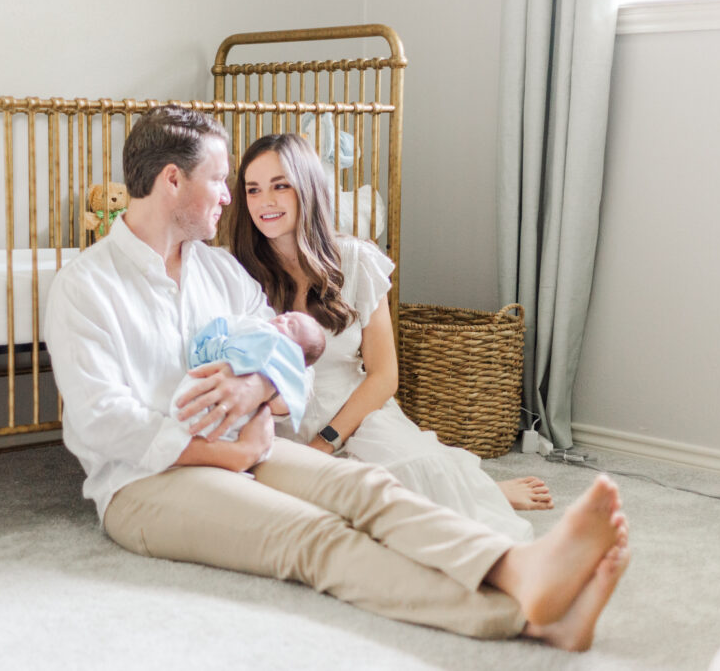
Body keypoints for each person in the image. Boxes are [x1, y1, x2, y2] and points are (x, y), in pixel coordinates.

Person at [44, 104, 629, 650]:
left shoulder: (220, 273)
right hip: (145, 484)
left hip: (246, 445)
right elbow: (100, 422)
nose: (230, 196)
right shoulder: (85, 285)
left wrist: (256, 388)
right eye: (221, 180)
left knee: (364, 487)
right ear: (173, 181)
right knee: (314, 536)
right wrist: (220, 453)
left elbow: (283, 351)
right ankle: (523, 617)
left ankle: (513, 567)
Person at [228, 133, 550, 541]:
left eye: (280, 186)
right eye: (253, 190)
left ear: (306, 189)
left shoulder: (356, 261)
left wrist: (327, 442)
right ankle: (469, 491)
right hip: (279, 423)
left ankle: (481, 493)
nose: (264, 202)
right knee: (316, 513)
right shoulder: (235, 272)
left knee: (416, 476)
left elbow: (383, 375)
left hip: (354, 416)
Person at [170, 311, 325, 444]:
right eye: (285, 315)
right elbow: (233, 324)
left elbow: (301, 379)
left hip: (244, 422)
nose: (282, 319)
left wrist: (266, 383)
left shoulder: (281, 353)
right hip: (205, 380)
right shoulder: (258, 325)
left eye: (291, 327)